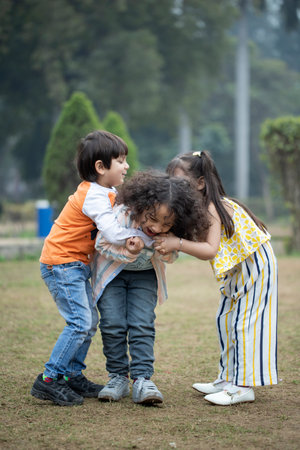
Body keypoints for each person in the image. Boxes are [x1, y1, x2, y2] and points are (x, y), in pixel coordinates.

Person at [31, 130, 152, 407]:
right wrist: (146, 238)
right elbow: (110, 231)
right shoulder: (94, 195)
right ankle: (49, 379)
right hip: (61, 263)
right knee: (80, 323)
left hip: (74, 264)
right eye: (121, 160)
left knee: (89, 322)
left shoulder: (105, 192)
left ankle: (73, 375)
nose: (127, 166)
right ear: (101, 167)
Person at [154, 151, 278, 406]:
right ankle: (228, 378)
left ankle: (243, 386)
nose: (177, 189)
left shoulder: (212, 207)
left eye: (182, 183)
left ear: (200, 182)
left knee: (245, 324)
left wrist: (177, 243)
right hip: (236, 270)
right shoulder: (198, 208)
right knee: (225, 321)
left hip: (255, 266)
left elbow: (210, 250)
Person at [91, 171, 209, 405]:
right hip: (112, 276)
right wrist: (129, 251)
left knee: (142, 324)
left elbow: (171, 257)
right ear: (142, 205)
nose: (156, 227)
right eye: (152, 218)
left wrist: (166, 249)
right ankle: (117, 378)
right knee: (112, 324)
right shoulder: (123, 215)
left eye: (167, 223)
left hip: (145, 277)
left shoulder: (168, 231)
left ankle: (143, 380)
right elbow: (101, 244)